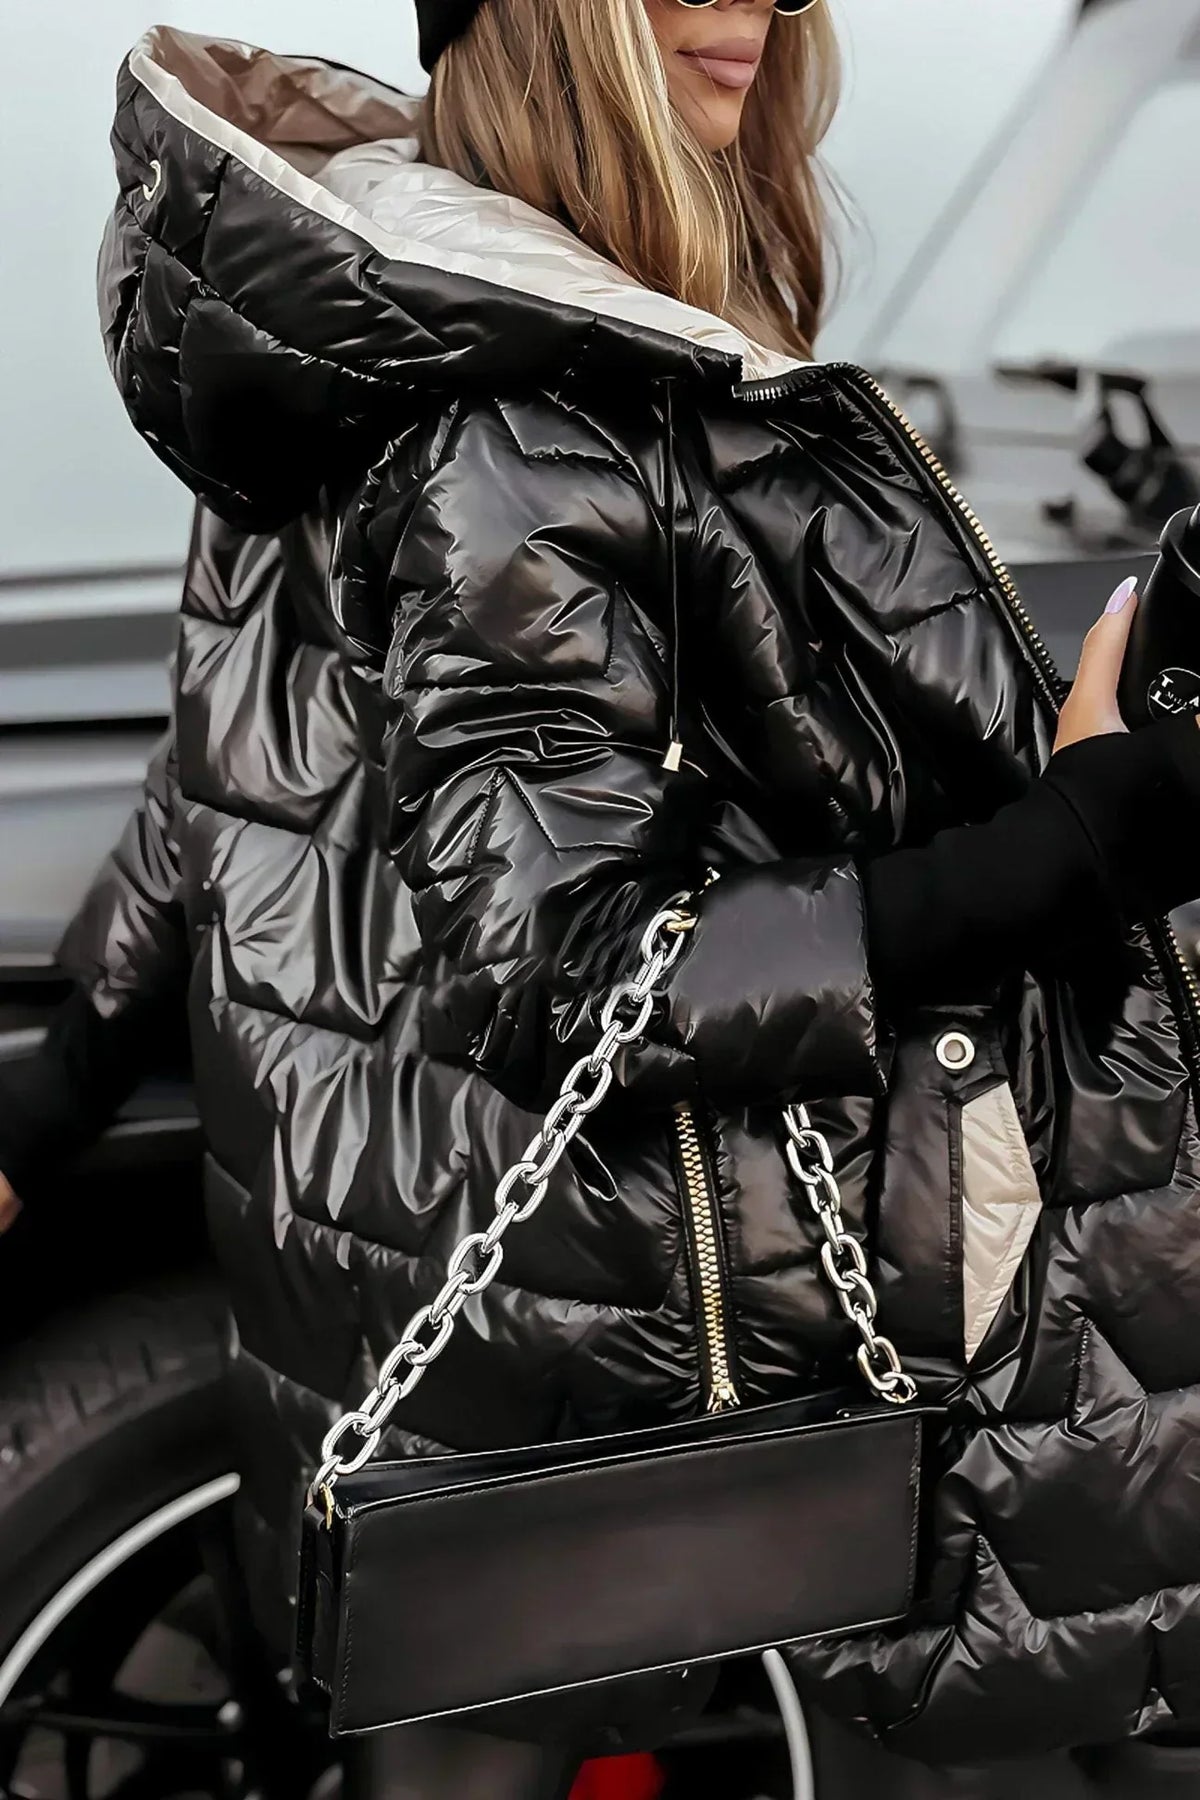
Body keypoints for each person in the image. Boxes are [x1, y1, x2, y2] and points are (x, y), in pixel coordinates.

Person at [3, 1, 1200, 1795]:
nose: (753, 7)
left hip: (428, 1280)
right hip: (583, 1352)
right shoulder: (518, 423)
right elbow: (583, 976)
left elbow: (223, 770)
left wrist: (43, 1107)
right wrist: (1091, 838)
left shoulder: (348, 327)